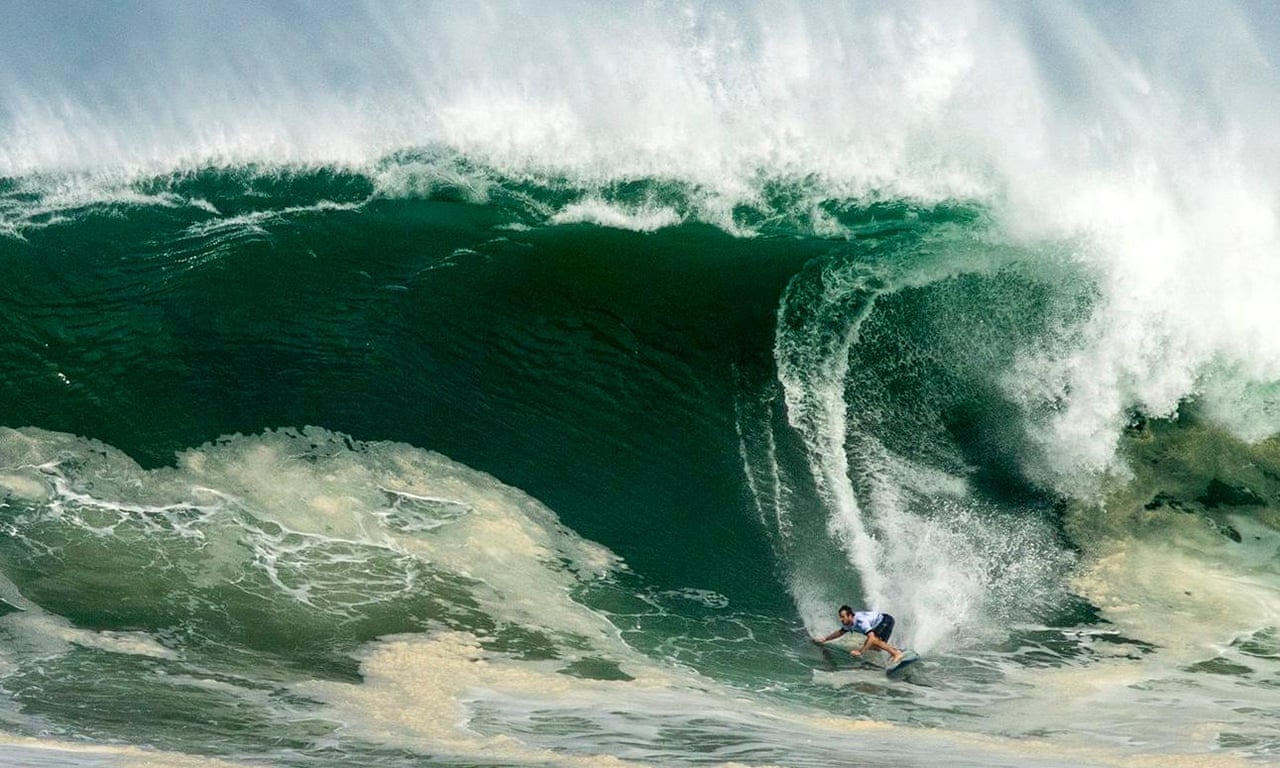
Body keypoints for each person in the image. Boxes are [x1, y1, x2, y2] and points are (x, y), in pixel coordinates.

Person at [812, 605, 903, 663]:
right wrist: (825, 639)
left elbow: (871, 637)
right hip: (879, 624)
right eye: (840, 617)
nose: (841, 619)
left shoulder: (860, 621)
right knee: (873, 647)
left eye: (843, 617)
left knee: (873, 641)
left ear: (850, 616)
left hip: (885, 620)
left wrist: (860, 651)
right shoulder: (848, 623)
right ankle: (896, 651)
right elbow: (840, 632)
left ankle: (896, 654)